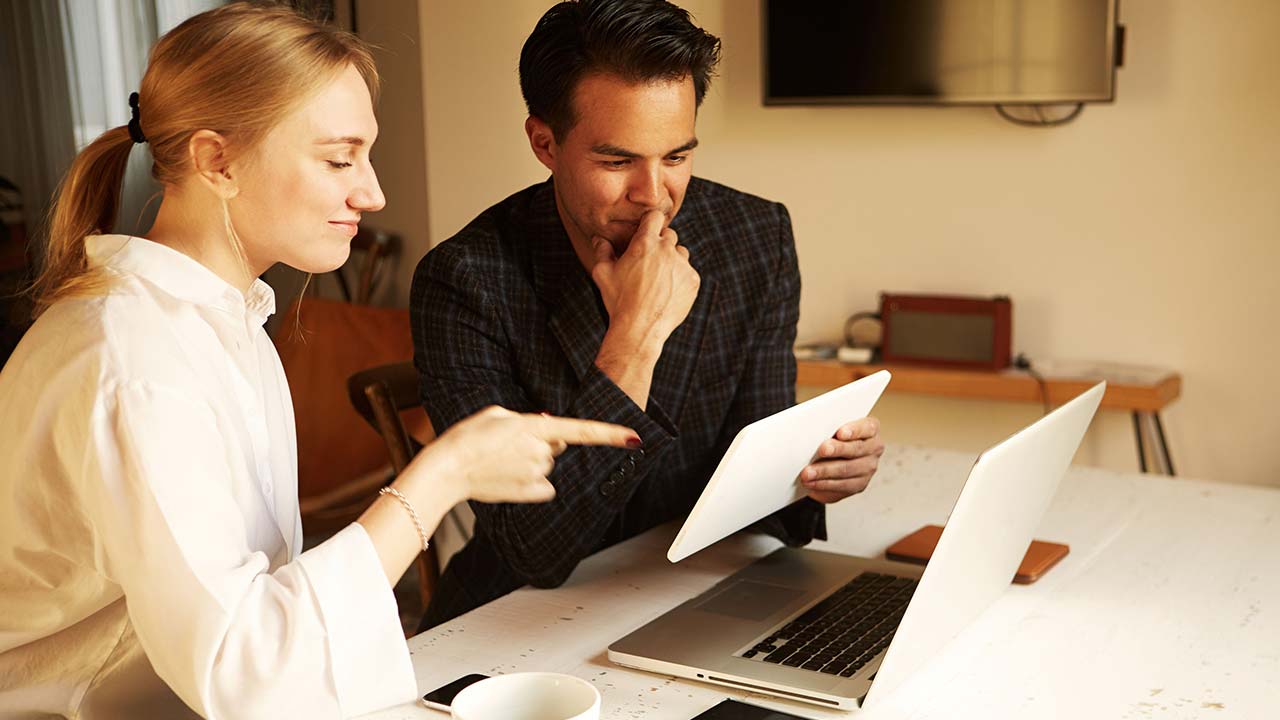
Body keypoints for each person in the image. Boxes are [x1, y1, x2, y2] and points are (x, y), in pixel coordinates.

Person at [0, 4, 638, 719]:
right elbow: (241, 671)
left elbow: (250, 618)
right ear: (219, 161)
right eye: (339, 158)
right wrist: (439, 477)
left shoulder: (228, 323)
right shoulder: (134, 360)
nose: (372, 193)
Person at [410, 0, 886, 631]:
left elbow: (759, 470)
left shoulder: (754, 236)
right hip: (517, 619)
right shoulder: (464, 281)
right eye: (617, 161)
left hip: (692, 588)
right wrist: (633, 342)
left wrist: (818, 474)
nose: (654, 195)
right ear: (544, 143)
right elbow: (535, 549)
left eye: (677, 157)